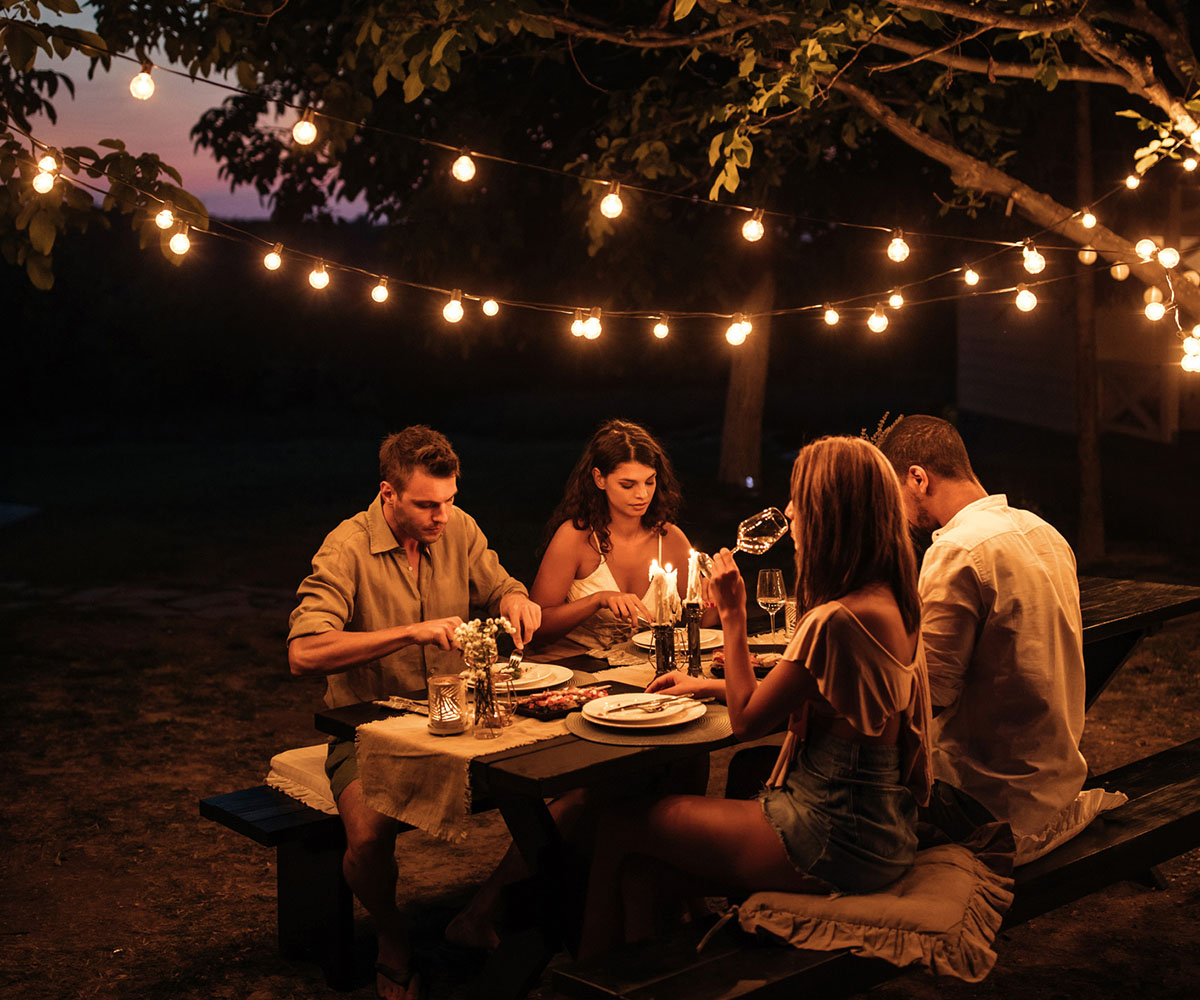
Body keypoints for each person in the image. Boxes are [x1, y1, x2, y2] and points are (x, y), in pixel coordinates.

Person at [579, 436, 932, 957]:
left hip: (831, 836)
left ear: (830, 513)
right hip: (882, 828)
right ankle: (640, 975)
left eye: (798, 502)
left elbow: (747, 722)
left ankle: (588, 972)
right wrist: (706, 684)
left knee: (618, 826)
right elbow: (813, 694)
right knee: (643, 869)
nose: (789, 514)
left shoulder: (835, 621)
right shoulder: (894, 602)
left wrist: (733, 614)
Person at [287, 426, 541, 1000]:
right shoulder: (345, 547)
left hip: (458, 716)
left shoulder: (459, 527)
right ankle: (393, 940)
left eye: (449, 501)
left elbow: (501, 582)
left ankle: (483, 912)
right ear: (388, 495)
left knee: (566, 783)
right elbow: (303, 652)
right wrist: (406, 633)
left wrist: (517, 600)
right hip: (369, 729)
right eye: (427, 504)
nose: (442, 516)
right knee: (369, 837)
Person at [876, 415, 1097, 862]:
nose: (894, 512)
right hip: (1055, 785)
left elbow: (927, 699)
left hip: (986, 802)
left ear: (918, 478)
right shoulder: (1045, 532)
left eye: (893, 493)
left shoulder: (956, 551)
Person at [529, 418, 714, 651]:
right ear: (599, 479)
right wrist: (597, 600)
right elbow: (536, 629)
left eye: (649, 482)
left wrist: (720, 596)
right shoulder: (575, 537)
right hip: (574, 667)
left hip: (645, 668)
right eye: (628, 485)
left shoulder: (670, 538)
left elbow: (704, 627)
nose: (642, 494)